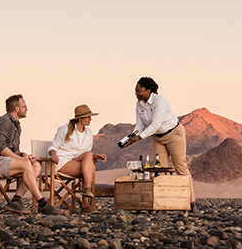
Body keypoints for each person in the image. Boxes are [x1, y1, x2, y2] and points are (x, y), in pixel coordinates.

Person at [121, 76, 197, 211]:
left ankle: (191, 201)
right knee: (159, 169)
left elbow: (156, 124)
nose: (136, 94)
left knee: (180, 167)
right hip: (157, 138)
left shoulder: (160, 102)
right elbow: (140, 124)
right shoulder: (139, 105)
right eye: (135, 91)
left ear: (149, 90)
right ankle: (163, 202)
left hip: (173, 135)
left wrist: (139, 138)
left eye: (139, 91)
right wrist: (132, 136)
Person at [0, 94, 60, 215]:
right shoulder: (2, 121)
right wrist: (21, 160)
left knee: (35, 166)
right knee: (26, 164)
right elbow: (0, 147)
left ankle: (16, 200)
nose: (27, 109)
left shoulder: (16, 126)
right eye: (24, 106)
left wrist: (22, 155)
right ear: (16, 109)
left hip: (2, 161)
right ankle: (42, 203)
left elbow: (13, 149)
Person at [48, 104, 107, 214]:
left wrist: (96, 156)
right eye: (87, 117)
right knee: (89, 169)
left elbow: (85, 153)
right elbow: (53, 146)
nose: (90, 119)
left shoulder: (88, 132)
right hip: (62, 161)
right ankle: (85, 204)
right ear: (79, 118)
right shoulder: (64, 129)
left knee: (89, 157)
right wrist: (53, 154)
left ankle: (86, 191)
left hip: (78, 160)